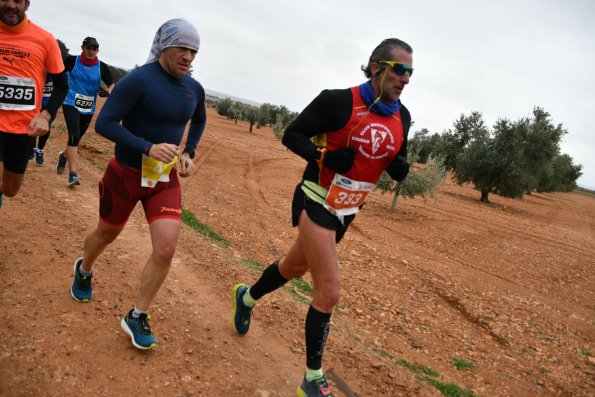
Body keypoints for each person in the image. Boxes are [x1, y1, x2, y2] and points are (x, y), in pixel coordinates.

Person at [232, 38, 414, 397]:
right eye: (400, 70)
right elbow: (291, 134)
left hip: (348, 210)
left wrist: (401, 168)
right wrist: (323, 158)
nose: (406, 79)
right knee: (328, 291)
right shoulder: (338, 101)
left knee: (292, 268)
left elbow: (398, 162)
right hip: (316, 199)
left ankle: (247, 297)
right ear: (376, 67)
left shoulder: (402, 116)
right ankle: (312, 379)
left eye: (411, 73)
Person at [69, 18, 206, 351]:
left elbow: (199, 116)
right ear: (165, 46)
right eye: (183, 48)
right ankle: (84, 269)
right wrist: (147, 146)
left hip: (163, 179)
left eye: (194, 50)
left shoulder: (194, 88)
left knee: (167, 248)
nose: (188, 56)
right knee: (106, 233)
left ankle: (137, 314)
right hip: (126, 173)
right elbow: (104, 123)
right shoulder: (139, 80)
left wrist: (188, 151)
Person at [0, 0, 67, 207]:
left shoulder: (45, 40)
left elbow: (61, 86)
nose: (11, 5)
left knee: (10, 189)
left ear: (27, 4)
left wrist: (45, 116)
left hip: (24, 129)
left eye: (17, 0)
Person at [56, 36, 114, 186]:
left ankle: (63, 156)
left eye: (94, 49)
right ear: (82, 48)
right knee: (74, 136)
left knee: (76, 139)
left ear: (97, 50)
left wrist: (106, 93)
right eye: (88, 48)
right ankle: (73, 174)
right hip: (70, 103)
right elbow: (59, 73)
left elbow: (111, 85)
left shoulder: (102, 67)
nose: (91, 51)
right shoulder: (71, 61)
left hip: (88, 108)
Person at [31, 75, 55, 165]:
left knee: (47, 126)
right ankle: (32, 147)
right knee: (33, 123)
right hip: (36, 99)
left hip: (50, 101)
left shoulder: (60, 68)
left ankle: (39, 150)